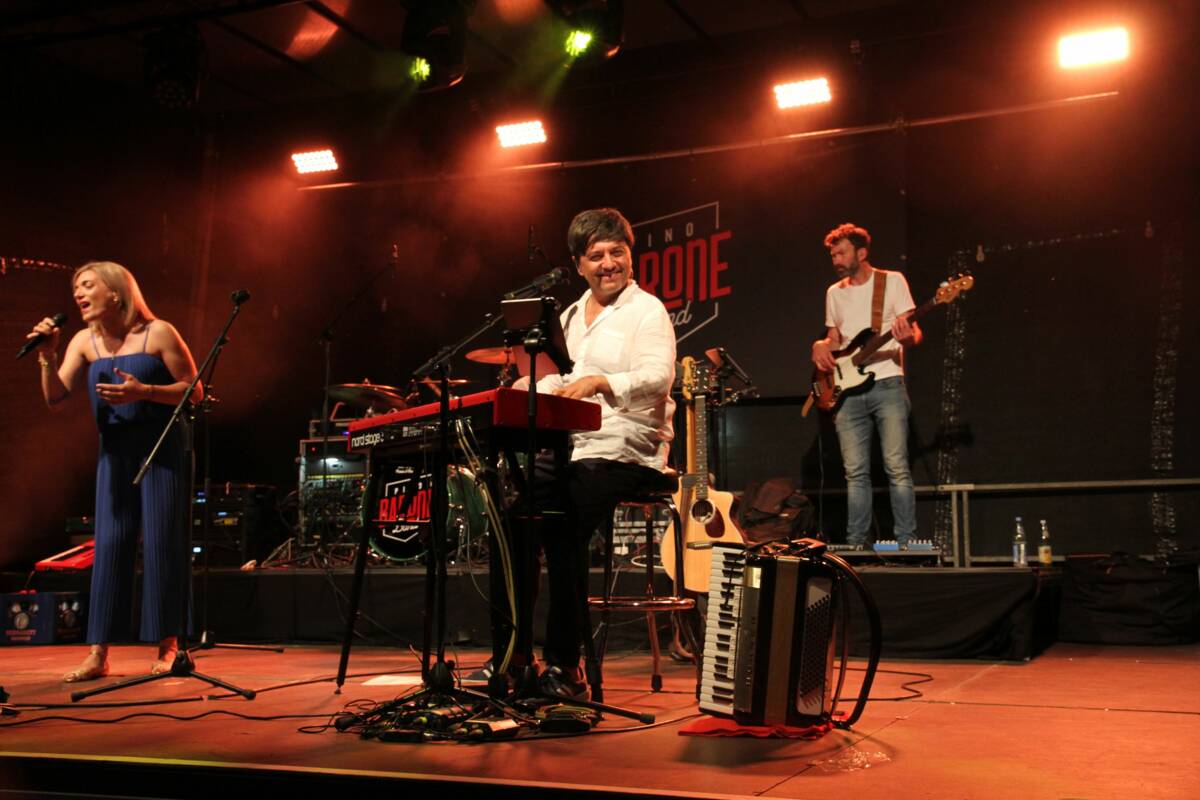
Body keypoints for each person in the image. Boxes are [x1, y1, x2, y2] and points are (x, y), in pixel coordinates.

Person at [508, 208, 677, 699]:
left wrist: (603, 382)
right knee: (514, 521)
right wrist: (526, 387)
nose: (608, 263)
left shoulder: (647, 310)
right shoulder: (568, 316)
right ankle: (513, 656)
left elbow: (658, 378)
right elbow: (563, 379)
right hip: (576, 449)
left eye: (616, 252)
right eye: (596, 255)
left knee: (563, 523)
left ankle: (567, 667)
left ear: (631, 256)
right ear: (579, 264)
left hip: (628, 449)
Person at [28, 261, 201, 682]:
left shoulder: (158, 332)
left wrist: (146, 392)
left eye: (88, 285)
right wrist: (47, 356)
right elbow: (55, 399)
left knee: (161, 543)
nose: (79, 294)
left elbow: (193, 391)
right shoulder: (83, 341)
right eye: (76, 288)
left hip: (160, 450)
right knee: (110, 544)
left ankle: (169, 645)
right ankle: (98, 653)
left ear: (116, 292)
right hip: (115, 454)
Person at [811, 223, 921, 549]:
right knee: (855, 473)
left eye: (841, 253)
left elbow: (914, 333)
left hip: (887, 383)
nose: (835, 259)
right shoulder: (834, 292)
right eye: (832, 254)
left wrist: (907, 338)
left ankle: (906, 544)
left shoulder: (892, 281)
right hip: (848, 391)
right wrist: (820, 345)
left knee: (896, 466)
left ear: (861, 253)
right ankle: (856, 545)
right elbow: (835, 339)